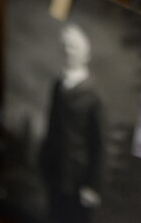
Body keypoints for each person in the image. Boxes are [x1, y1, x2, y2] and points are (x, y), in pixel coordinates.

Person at [39, 23, 105, 223]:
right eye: (66, 46)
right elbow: (51, 128)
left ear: (85, 54)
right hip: (55, 173)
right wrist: (44, 162)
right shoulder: (58, 85)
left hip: (79, 179)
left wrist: (93, 186)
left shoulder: (93, 96)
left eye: (74, 47)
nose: (69, 52)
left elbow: (99, 145)